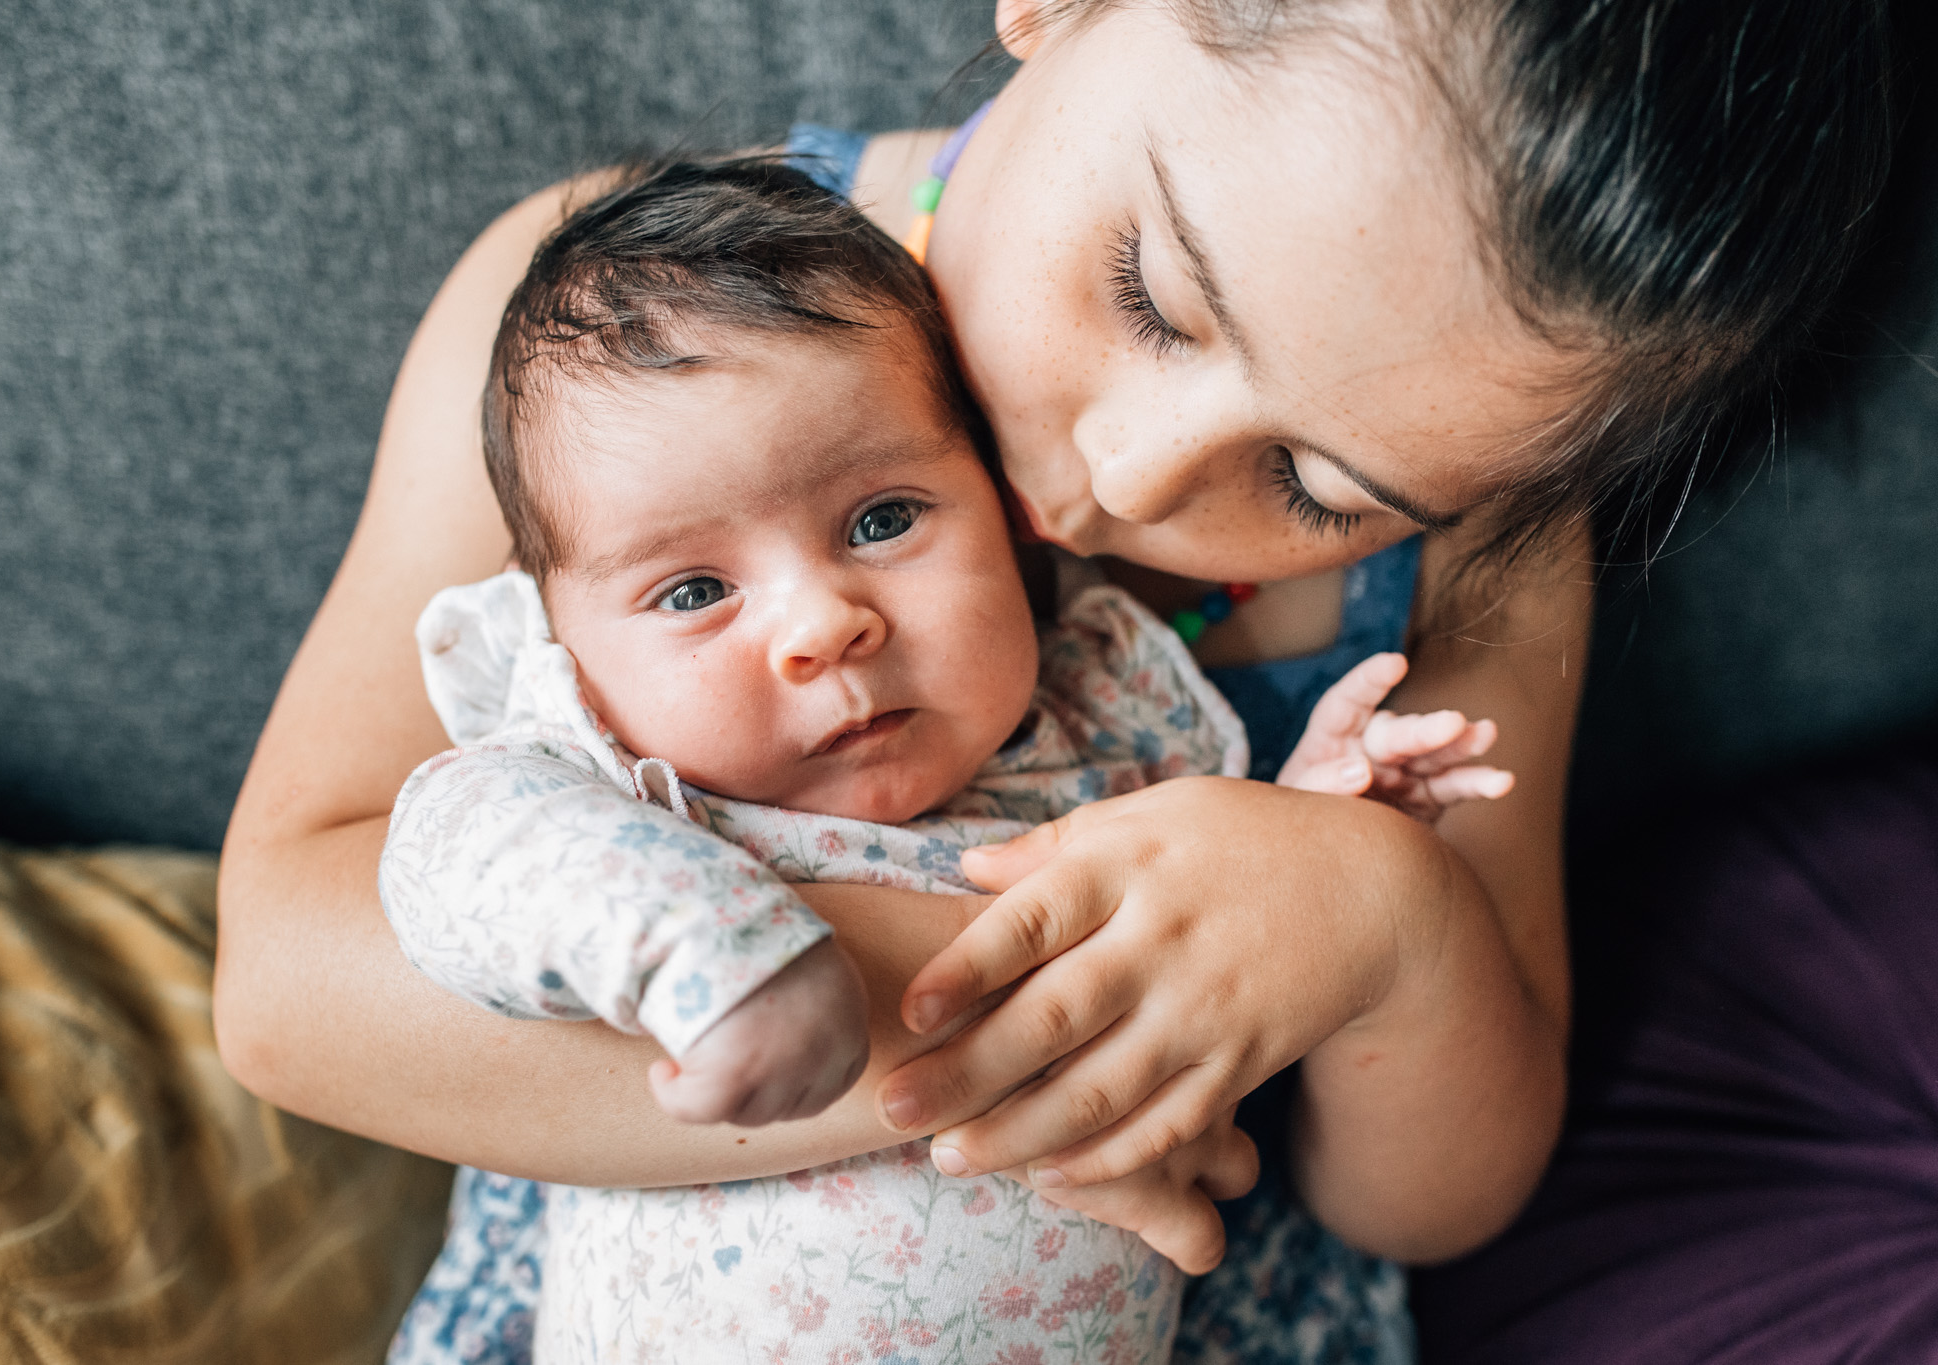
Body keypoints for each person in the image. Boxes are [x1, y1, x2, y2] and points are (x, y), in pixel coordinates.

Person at [214, 0, 1892, 1359]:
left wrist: (1384, 924)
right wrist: (1082, 1021)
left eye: (1321, 488)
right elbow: (292, 991)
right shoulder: (608, 342)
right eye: (1151, 297)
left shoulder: (1476, 553)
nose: (1128, 478)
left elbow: (1430, 1201)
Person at [381, 155, 1512, 1364]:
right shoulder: (602, 780)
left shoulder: (1110, 723)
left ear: (1006, 515)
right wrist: (711, 952)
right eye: (695, 591)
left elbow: (1218, 936)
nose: (823, 626)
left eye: (881, 521)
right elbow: (453, 843)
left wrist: (1319, 830)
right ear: (557, 641)